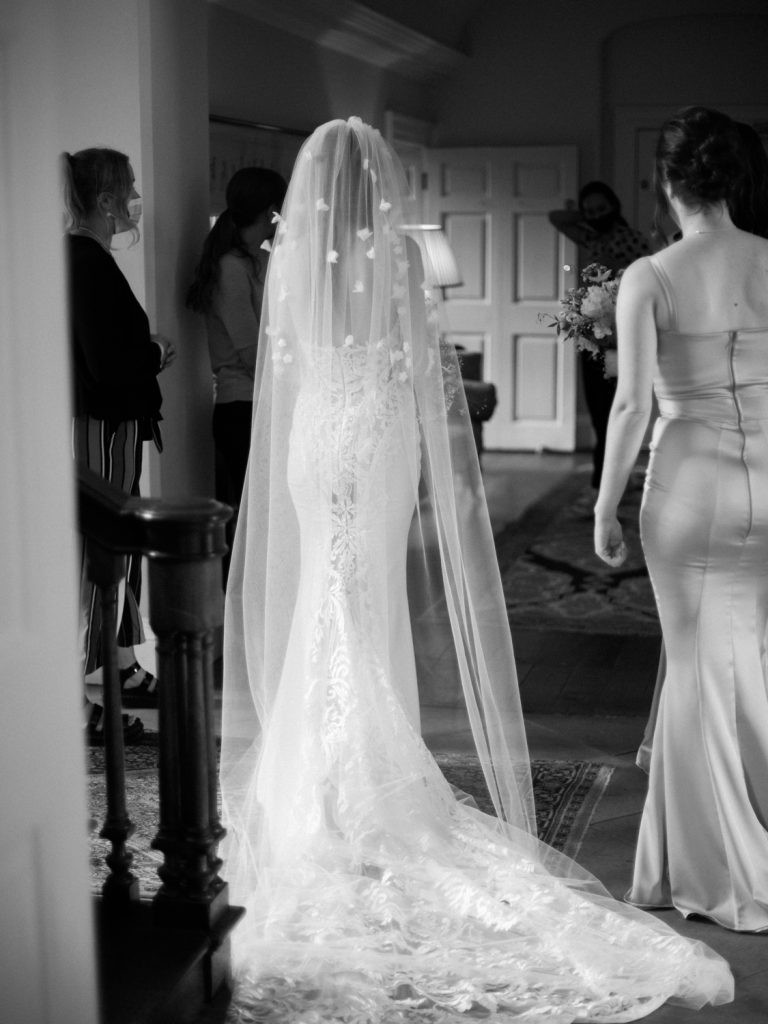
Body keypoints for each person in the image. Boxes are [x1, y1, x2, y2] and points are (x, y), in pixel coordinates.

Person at [219, 116, 732, 1020]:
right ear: (376, 185)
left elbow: (288, 368)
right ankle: (357, 775)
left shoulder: (290, 253)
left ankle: (316, 779)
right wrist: (425, 458)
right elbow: (422, 368)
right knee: (359, 600)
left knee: (319, 603)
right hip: (373, 435)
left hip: (313, 440)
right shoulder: (403, 261)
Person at [594, 106, 768, 932]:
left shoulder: (650, 275)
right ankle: (711, 842)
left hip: (692, 489)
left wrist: (603, 504)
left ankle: (723, 866)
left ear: (668, 185)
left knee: (701, 661)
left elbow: (630, 405)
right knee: (744, 655)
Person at [64, 147, 176, 737]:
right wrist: (156, 352)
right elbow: (106, 363)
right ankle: (80, 694)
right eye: (128, 187)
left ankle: (118, 669)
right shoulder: (85, 261)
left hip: (109, 425)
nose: (135, 197)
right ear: (105, 201)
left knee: (114, 547)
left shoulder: (88, 259)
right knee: (98, 549)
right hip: (101, 426)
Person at [186, 167, 287, 580]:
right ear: (270, 210)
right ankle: (240, 606)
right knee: (251, 513)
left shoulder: (260, 260)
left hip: (263, 402)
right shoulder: (230, 267)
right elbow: (250, 350)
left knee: (271, 509)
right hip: (242, 406)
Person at [550, 183, 650, 488]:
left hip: (622, 338)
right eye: (589, 211)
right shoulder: (590, 235)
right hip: (591, 337)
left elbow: (645, 278)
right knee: (598, 410)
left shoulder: (634, 240)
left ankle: (609, 480)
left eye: (600, 209)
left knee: (617, 408)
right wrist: (585, 214)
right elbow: (556, 217)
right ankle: (604, 481)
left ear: (614, 206)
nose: (595, 216)